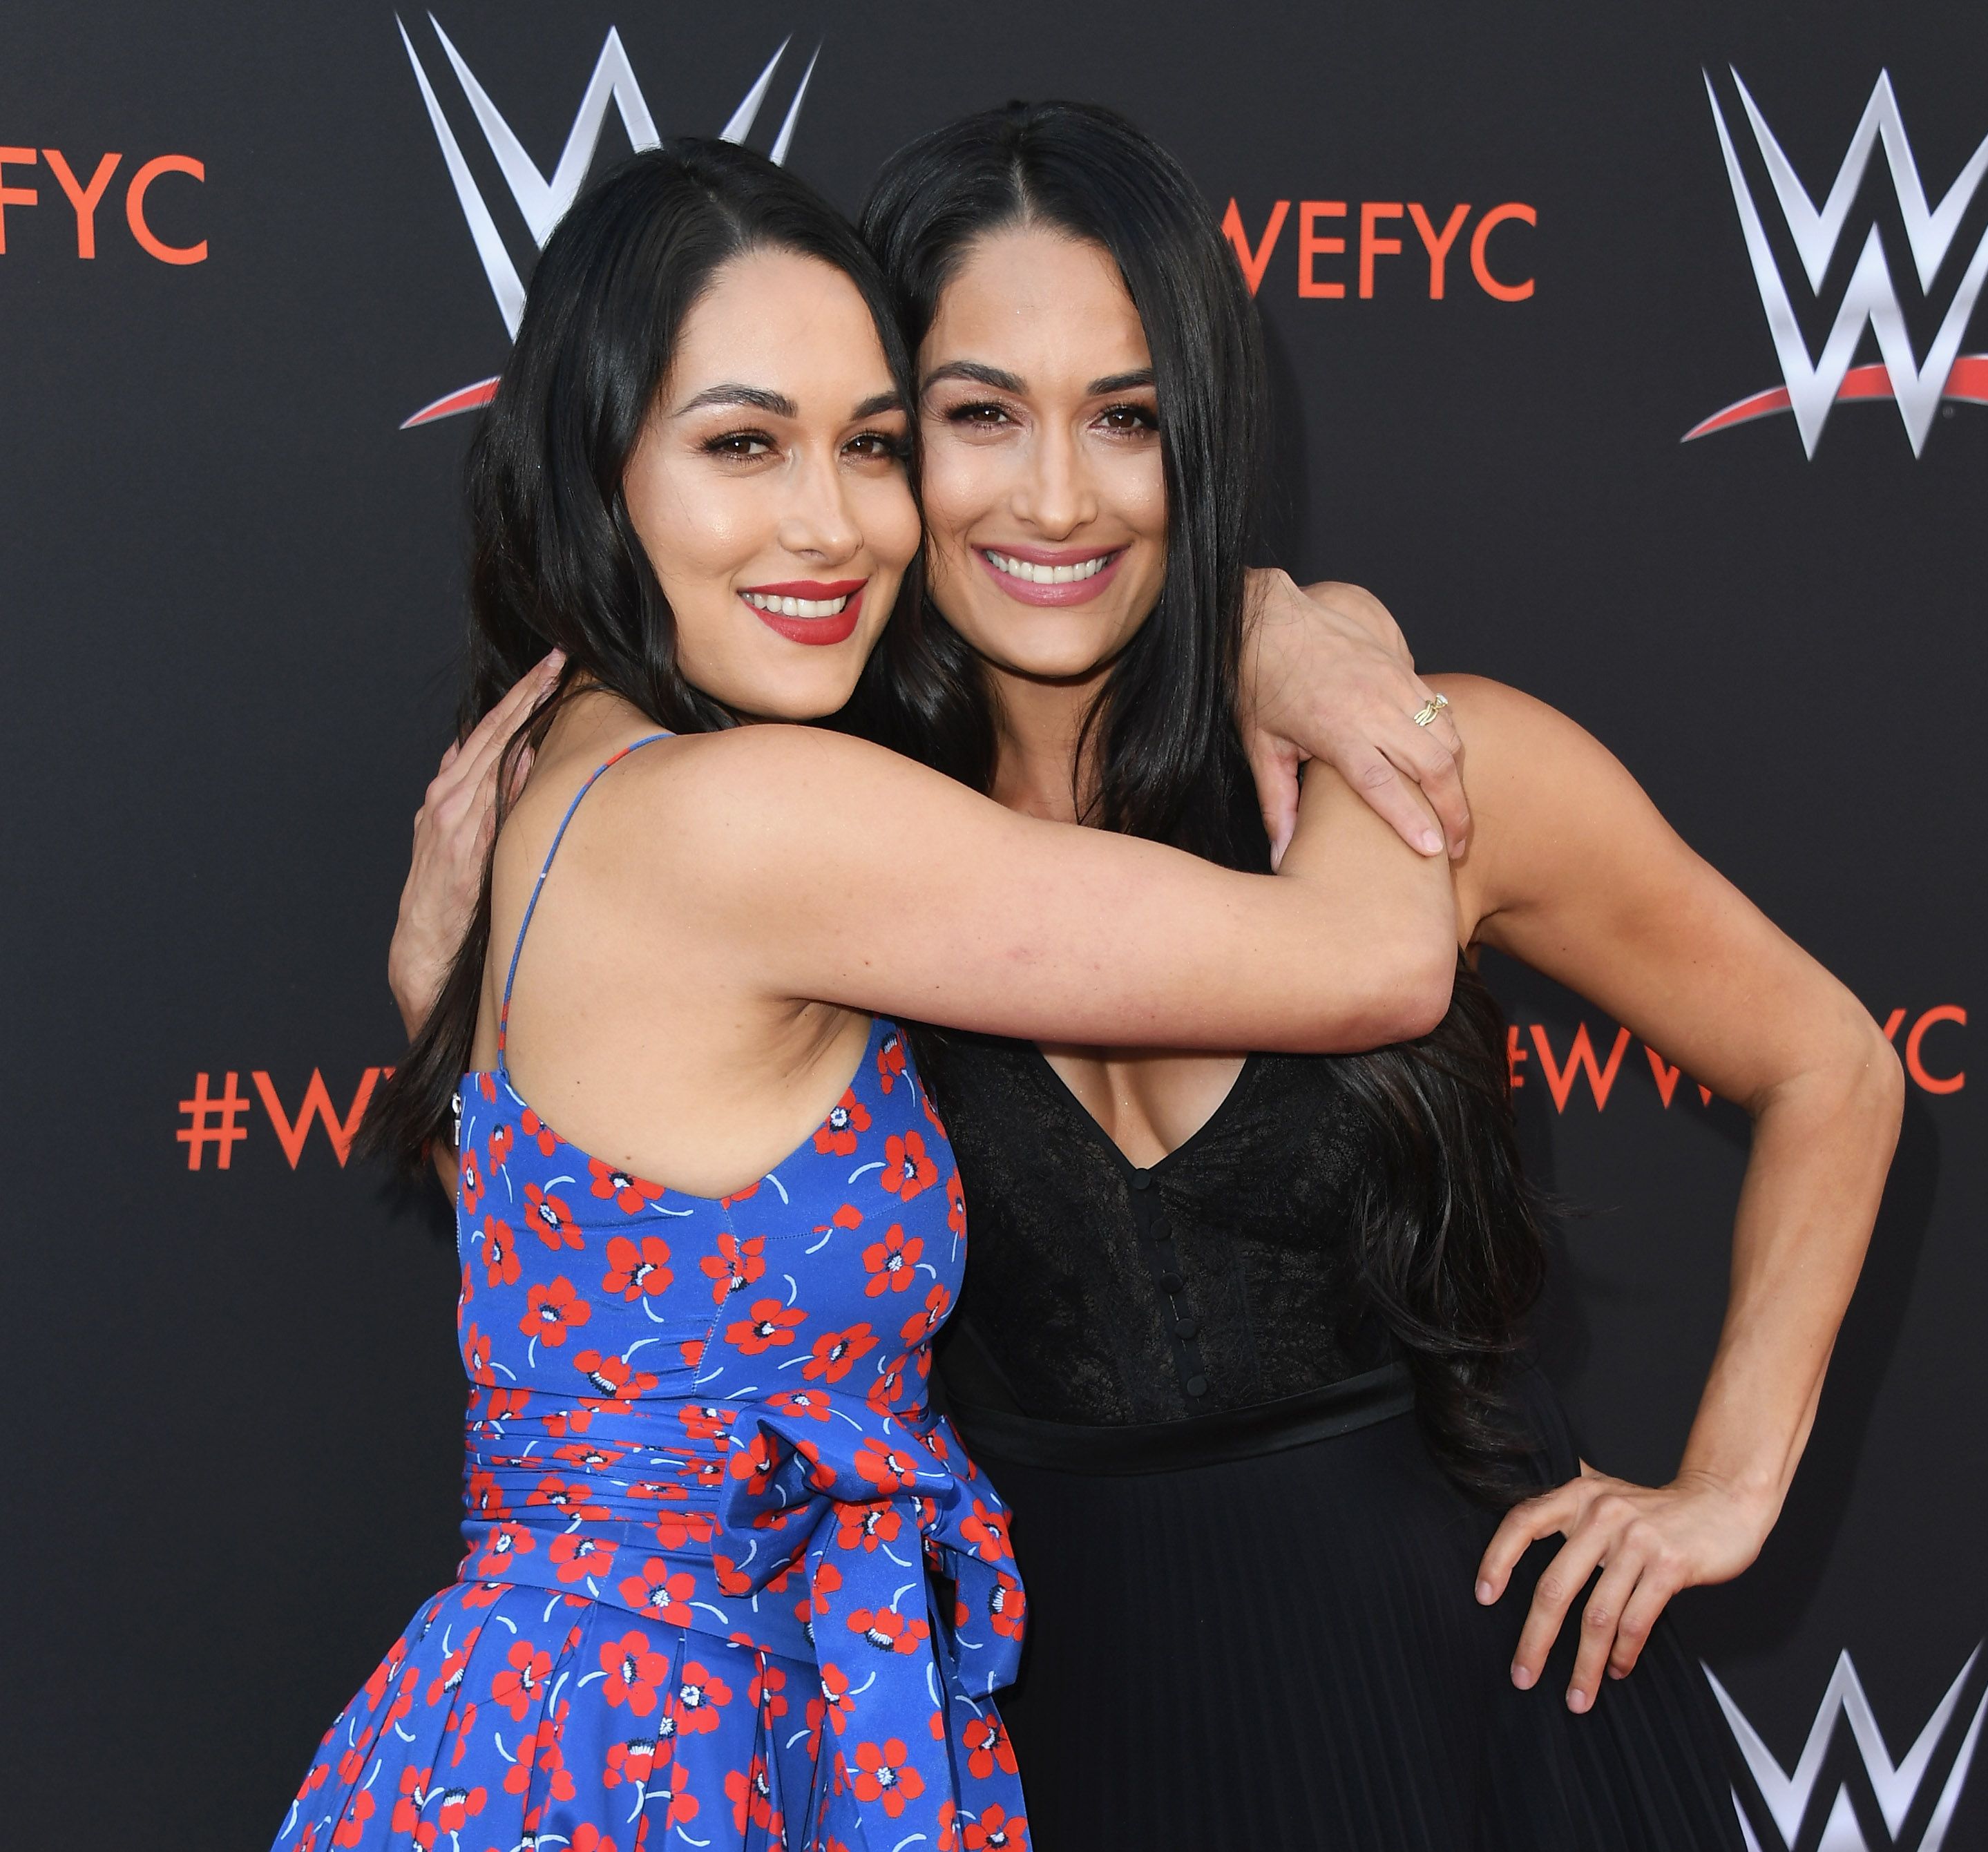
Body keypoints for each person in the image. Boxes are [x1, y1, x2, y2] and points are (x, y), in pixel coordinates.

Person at [391, 106, 1902, 1849]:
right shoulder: (814, 842)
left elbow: (1834, 1067)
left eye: (1129, 418)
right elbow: (631, 1257)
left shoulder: (1424, 777)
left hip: (1457, 1712)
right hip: (1034, 1737)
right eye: (972, 419)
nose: (1057, 495)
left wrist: (1729, 1483)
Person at [276, 137, 1465, 1852]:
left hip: (585, 1730)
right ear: (595, 473)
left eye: (875, 446)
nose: (832, 525)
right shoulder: (751, 814)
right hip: (653, 1763)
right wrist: (1304, 621)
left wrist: (438, 1024)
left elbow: (616, 1306)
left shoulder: (586, 762)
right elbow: (1377, 958)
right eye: (743, 446)